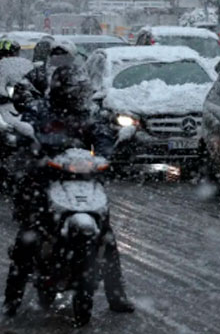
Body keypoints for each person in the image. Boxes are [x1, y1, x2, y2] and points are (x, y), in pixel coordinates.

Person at [3, 65, 134, 318]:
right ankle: (12, 298)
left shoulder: (89, 112)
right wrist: (37, 151)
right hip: (45, 180)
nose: (79, 96)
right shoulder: (39, 110)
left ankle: (116, 296)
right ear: (64, 90)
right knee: (28, 236)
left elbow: (103, 135)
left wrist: (108, 154)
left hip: (84, 179)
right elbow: (25, 135)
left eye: (82, 91)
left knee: (106, 236)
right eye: (76, 90)